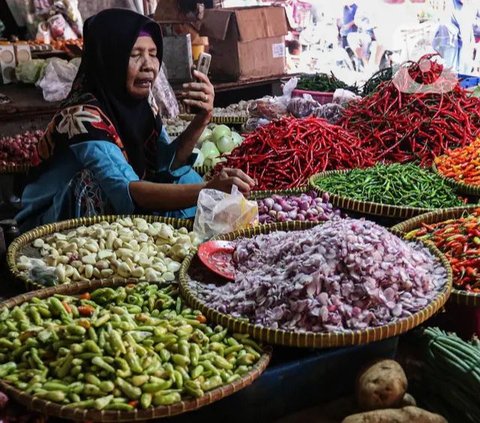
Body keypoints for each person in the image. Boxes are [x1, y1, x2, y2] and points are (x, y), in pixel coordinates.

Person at [16, 8, 254, 232]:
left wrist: (202, 118)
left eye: (153, 54)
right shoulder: (80, 116)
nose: (149, 66)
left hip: (118, 198)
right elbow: (127, 190)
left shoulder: (143, 104)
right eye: (135, 55)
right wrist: (205, 190)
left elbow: (165, 163)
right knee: (92, 184)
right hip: (48, 221)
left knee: (183, 175)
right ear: (109, 60)